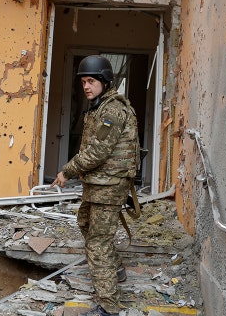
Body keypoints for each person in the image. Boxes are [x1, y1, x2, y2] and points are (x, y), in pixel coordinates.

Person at [50, 55, 140, 316]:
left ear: (105, 81)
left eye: (91, 81)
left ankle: (108, 308)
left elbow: (98, 151)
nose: (86, 86)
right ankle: (116, 270)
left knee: (98, 244)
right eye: (83, 82)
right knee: (85, 224)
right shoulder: (99, 107)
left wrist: (67, 171)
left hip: (108, 186)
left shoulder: (112, 110)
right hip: (98, 184)